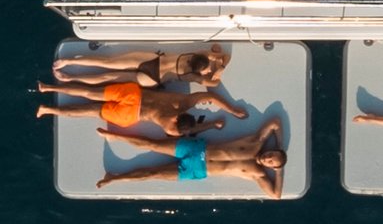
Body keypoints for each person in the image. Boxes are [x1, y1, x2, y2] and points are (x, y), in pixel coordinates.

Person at [95, 118, 287, 198]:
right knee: (152, 144)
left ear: (272, 167)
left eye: (271, 162)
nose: (268, 158)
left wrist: (279, 171)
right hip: (198, 149)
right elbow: (275, 123)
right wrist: (280, 145)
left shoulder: (258, 174)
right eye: (272, 154)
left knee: (152, 174)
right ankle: (115, 136)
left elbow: (275, 195)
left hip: (197, 170)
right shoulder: (256, 142)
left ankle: (114, 178)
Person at [35, 78, 245, 135]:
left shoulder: (182, 102)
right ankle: (48, 109)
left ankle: (48, 88)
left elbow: (210, 96)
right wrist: (212, 125)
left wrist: (232, 110)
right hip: (130, 115)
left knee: (90, 94)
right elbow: (193, 129)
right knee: (89, 110)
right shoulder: (173, 129)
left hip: (133, 95)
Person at [51, 43, 229, 88]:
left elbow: (222, 55)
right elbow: (214, 83)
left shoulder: (200, 54)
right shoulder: (194, 77)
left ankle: (68, 61)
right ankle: (71, 78)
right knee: (108, 77)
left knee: (107, 63)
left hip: (152, 60)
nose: (209, 70)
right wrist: (218, 72)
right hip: (152, 79)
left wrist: (219, 64)